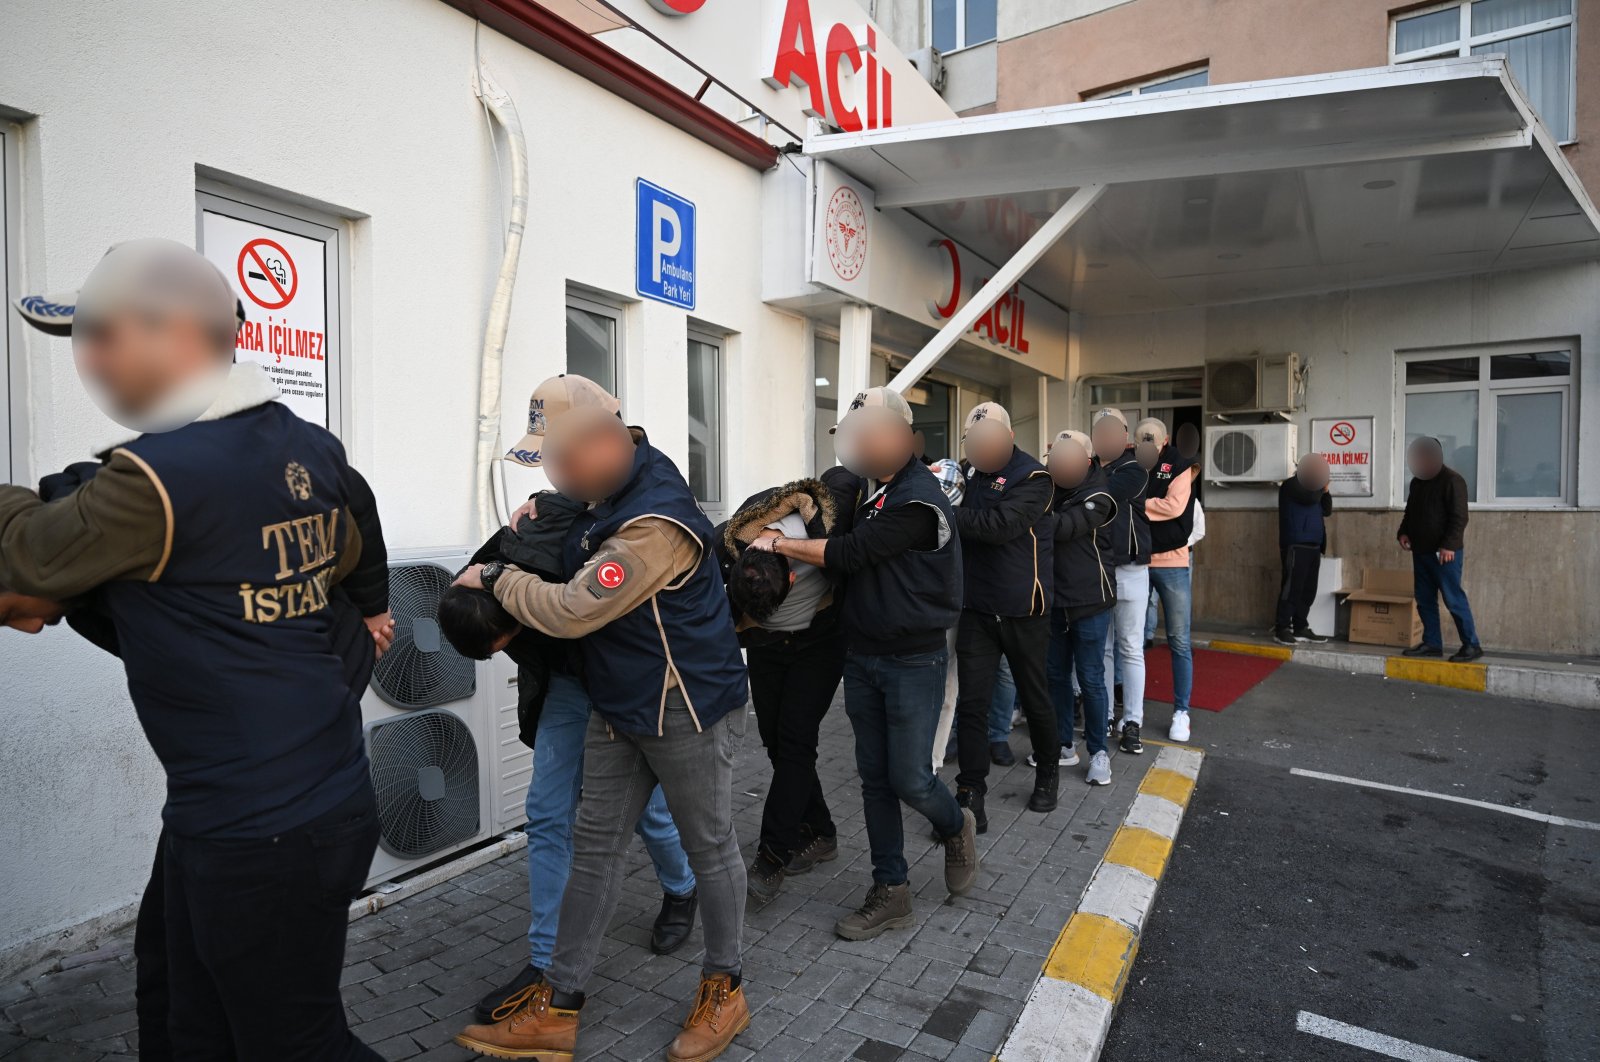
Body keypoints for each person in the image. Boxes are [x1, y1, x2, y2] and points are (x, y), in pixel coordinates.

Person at [1, 238, 390, 1060]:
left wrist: (44, 505)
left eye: (102, 337)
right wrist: (370, 615)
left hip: (264, 831)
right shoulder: (304, 445)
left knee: (294, 1040)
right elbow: (350, 544)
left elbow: (31, 557)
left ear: (180, 337)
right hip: (272, 807)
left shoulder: (151, 479)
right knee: (180, 1005)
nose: (89, 360)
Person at [451, 375, 750, 1062]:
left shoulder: (654, 523)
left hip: (686, 710)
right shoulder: (610, 486)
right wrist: (547, 504)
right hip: (619, 704)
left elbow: (574, 608)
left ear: (600, 440)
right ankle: (559, 1006)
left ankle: (725, 987)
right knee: (594, 851)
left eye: (558, 458)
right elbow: (579, 520)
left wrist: (493, 577)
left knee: (710, 847)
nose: (554, 471)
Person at [436, 485, 702, 1024]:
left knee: (645, 810)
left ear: (514, 620)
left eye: (502, 646)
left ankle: (682, 888)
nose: (502, 655)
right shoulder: (492, 563)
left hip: (617, 684)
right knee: (548, 813)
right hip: (565, 684)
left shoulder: (568, 564)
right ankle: (545, 964)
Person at [753, 387, 978, 941]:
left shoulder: (919, 501)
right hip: (864, 656)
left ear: (904, 438)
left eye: (870, 436)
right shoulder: (873, 490)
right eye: (854, 438)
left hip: (911, 659)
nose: (858, 448)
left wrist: (776, 545)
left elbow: (851, 554)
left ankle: (955, 823)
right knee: (874, 780)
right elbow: (823, 506)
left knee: (909, 778)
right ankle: (891, 889)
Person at [716, 474, 854, 904]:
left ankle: (772, 856)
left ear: (793, 581)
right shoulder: (731, 545)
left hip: (818, 643)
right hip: (768, 646)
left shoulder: (819, 542)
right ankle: (821, 831)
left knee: (795, 743)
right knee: (775, 743)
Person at [949, 402, 1059, 826]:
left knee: (1034, 697)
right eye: (973, 443)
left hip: (1023, 609)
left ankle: (1047, 774)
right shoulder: (967, 472)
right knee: (972, 704)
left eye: (988, 441)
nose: (979, 451)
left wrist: (947, 514)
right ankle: (970, 789)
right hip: (977, 607)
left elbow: (1000, 525)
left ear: (1010, 437)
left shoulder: (1035, 478)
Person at [1041, 430, 1118, 785]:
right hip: (1055, 600)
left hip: (1091, 601)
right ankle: (1062, 745)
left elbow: (1065, 527)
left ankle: (1099, 751)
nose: (1058, 471)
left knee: (1090, 679)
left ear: (1085, 463)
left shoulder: (1100, 494)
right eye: (1053, 463)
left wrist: (1027, 513)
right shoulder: (1049, 488)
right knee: (1055, 675)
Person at [1092, 408, 1152, 755]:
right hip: (1099, 570)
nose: (1103, 438)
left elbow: (1099, 497)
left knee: (1129, 648)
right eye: (1097, 432)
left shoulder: (1134, 468)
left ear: (1125, 437)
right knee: (1104, 649)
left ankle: (1132, 722)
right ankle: (1104, 719)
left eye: (1111, 432)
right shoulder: (1091, 469)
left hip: (1129, 570)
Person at [1139, 419, 1199, 744]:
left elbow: (1175, 506)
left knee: (1178, 640)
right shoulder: (1131, 463)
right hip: (1136, 560)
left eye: (1150, 439)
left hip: (1173, 563)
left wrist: (1139, 505)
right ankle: (1132, 711)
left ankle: (1181, 712)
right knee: (1132, 641)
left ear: (1163, 441)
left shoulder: (1180, 465)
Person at [1397, 436, 1481, 662]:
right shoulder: (1417, 482)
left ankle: (1472, 645)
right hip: (1420, 551)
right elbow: (1410, 513)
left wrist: (1449, 545)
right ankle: (1432, 643)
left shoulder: (1453, 480)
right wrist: (1403, 532)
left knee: (1453, 598)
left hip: (1445, 553)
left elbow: (1459, 518)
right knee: (1424, 599)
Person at [926, 455, 965, 771]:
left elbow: (948, 492)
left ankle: (933, 760)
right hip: (912, 609)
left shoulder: (950, 471)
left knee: (945, 686)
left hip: (944, 607)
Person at [1275, 453, 1333, 646]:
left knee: (1308, 590)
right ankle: (1282, 628)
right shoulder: (1292, 486)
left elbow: (1327, 510)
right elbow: (1310, 499)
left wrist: (1326, 492)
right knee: (1292, 589)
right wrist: (1322, 488)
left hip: (1314, 546)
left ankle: (1301, 627)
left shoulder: (1315, 489)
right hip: (1296, 544)